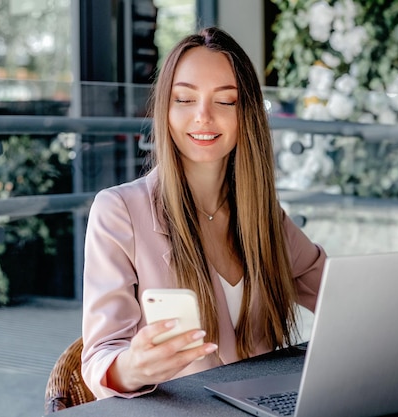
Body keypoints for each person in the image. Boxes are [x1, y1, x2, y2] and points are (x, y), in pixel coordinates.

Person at [81, 26, 327, 400]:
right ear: (165, 108)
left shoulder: (264, 215)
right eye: (184, 99)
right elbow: (99, 357)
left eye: (225, 101)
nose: (203, 117)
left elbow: (336, 294)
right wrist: (133, 366)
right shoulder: (119, 212)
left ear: (246, 115)